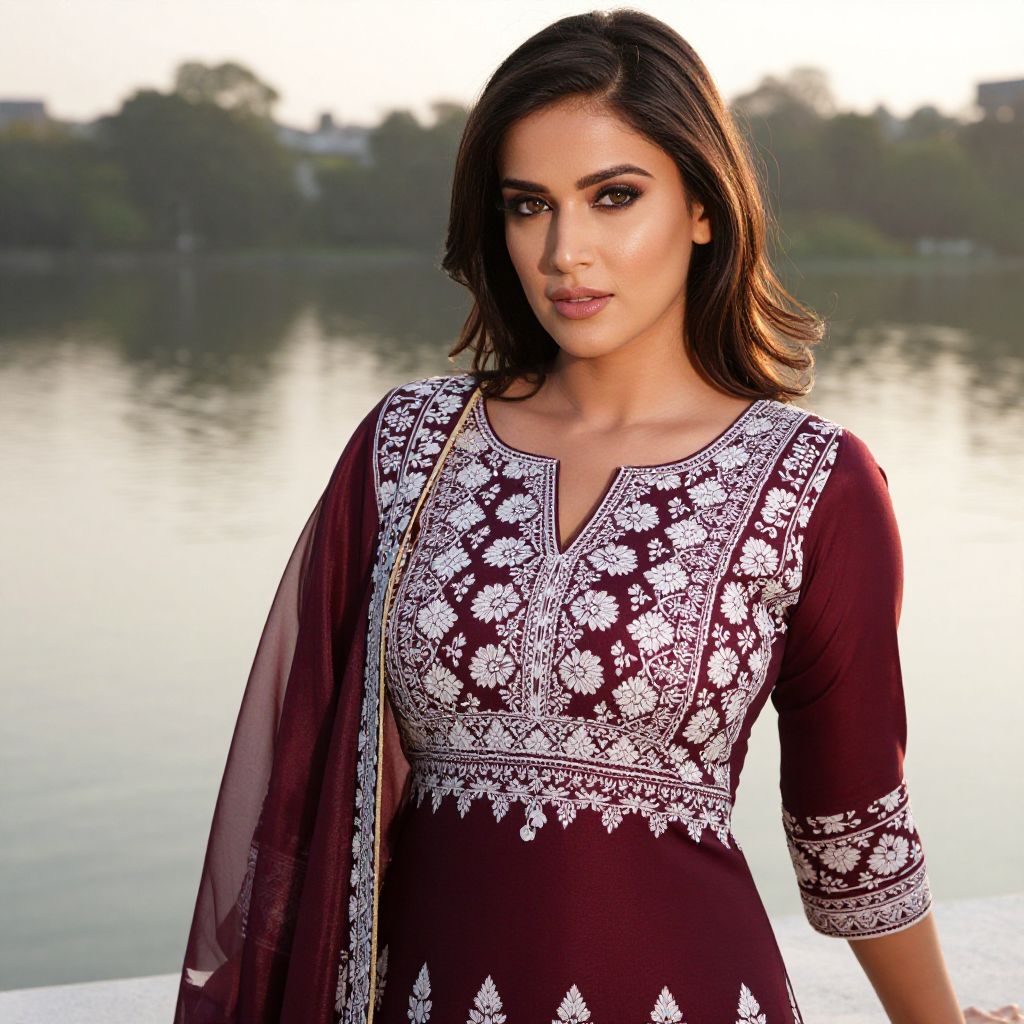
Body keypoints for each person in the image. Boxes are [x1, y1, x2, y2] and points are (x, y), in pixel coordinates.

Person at [173, 9, 1012, 1024]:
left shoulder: (813, 480)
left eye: (613, 197)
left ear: (703, 206)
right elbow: (302, 791)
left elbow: (850, 828)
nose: (565, 250)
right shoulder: (408, 446)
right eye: (529, 206)